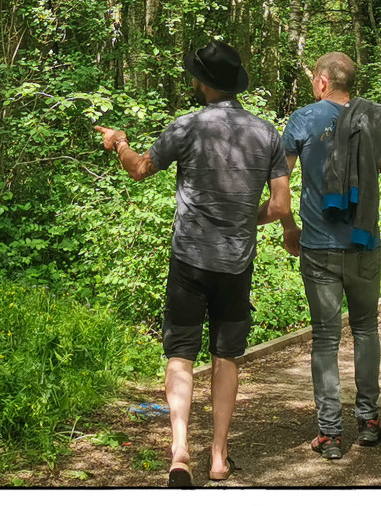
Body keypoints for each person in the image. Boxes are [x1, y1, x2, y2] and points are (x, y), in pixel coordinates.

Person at [95, 39, 291, 487]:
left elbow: (141, 169)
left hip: (189, 260)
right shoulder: (267, 134)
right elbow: (280, 207)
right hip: (236, 264)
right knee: (227, 357)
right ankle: (219, 456)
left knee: (180, 354)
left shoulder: (186, 127)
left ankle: (180, 450)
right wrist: (246, 218)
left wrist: (119, 143)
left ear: (202, 83)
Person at [276, 51, 381, 460]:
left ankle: (330, 435)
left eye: (315, 79)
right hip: (365, 244)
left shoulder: (302, 120)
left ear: (323, 82)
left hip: (319, 248)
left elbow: (281, 182)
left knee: (326, 338)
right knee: (366, 329)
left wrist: (288, 227)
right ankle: (368, 420)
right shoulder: (376, 120)